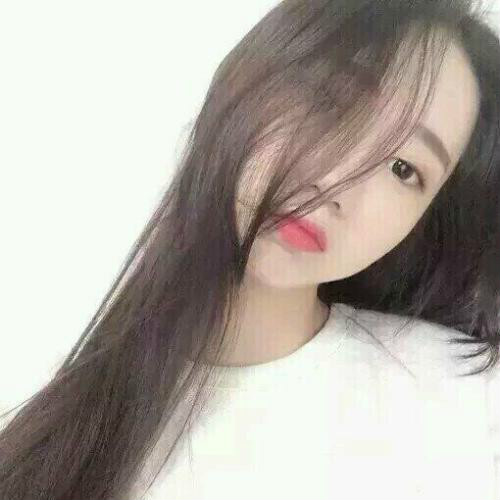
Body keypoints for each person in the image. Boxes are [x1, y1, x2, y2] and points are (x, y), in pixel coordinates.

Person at [1, 1, 500, 499]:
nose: (336, 182)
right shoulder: (40, 387)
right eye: (331, 101)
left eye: (402, 168)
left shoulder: (462, 404)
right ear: (250, 77)